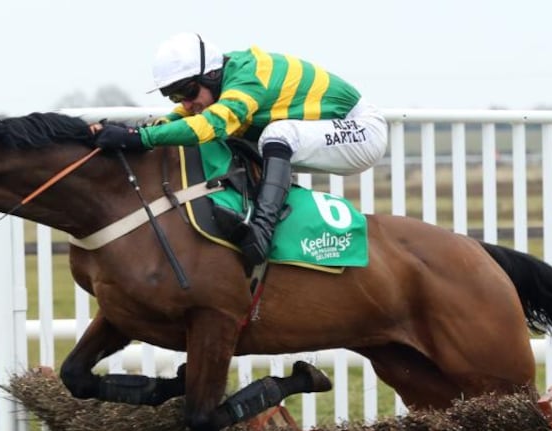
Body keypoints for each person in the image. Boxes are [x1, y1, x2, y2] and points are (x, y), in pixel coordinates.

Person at [95, 32, 388, 271]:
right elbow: (179, 120)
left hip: (361, 131)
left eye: (187, 92)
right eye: (175, 96)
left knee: (274, 134)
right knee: (243, 137)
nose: (184, 103)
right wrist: (131, 132)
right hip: (327, 130)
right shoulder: (225, 78)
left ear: (211, 76)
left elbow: (208, 125)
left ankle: (262, 230)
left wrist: (141, 138)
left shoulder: (248, 78)